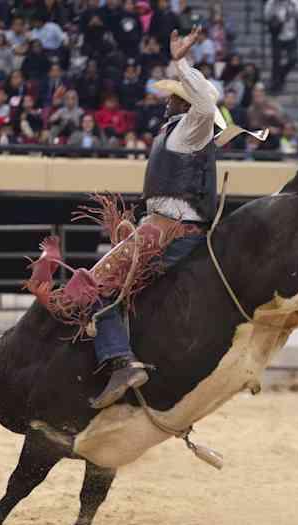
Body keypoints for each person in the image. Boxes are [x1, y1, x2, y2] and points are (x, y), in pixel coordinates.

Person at [86, 27, 238, 409]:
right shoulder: (178, 131)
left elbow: (208, 104)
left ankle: (120, 362)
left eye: (173, 96)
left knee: (96, 286)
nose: (167, 101)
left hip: (169, 231)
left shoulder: (193, 126)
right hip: (160, 227)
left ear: (183, 102)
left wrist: (181, 61)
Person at [263, 0, 298, 94]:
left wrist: (293, 8)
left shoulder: (295, 2)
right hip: (277, 35)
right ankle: (275, 86)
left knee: (293, 59)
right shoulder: (271, 2)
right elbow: (266, 17)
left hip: (291, 35)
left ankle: (280, 75)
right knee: (276, 61)